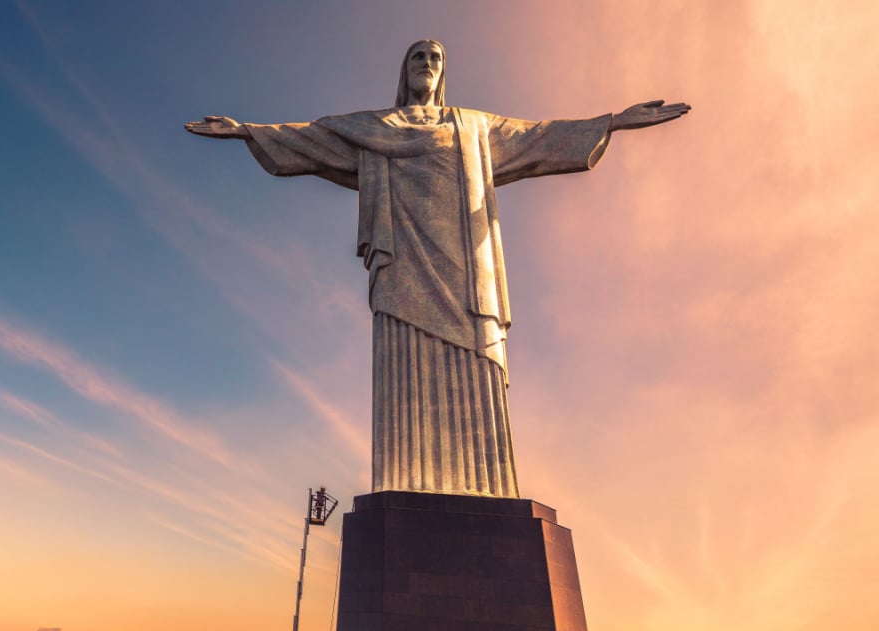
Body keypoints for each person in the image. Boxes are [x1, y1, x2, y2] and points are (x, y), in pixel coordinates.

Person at [186, 39, 689, 498]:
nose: (426, 64)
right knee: (405, 362)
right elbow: (312, 138)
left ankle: (487, 488)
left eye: (435, 58)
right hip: (403, 261)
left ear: (443, 72)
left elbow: (541, 136)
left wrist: (611, 122)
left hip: (467, 269)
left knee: (476, 362)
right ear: (403, 72)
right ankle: (407, 480)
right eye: (417, 57)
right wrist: (246, 131)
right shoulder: (372, 128)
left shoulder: (473, 127)